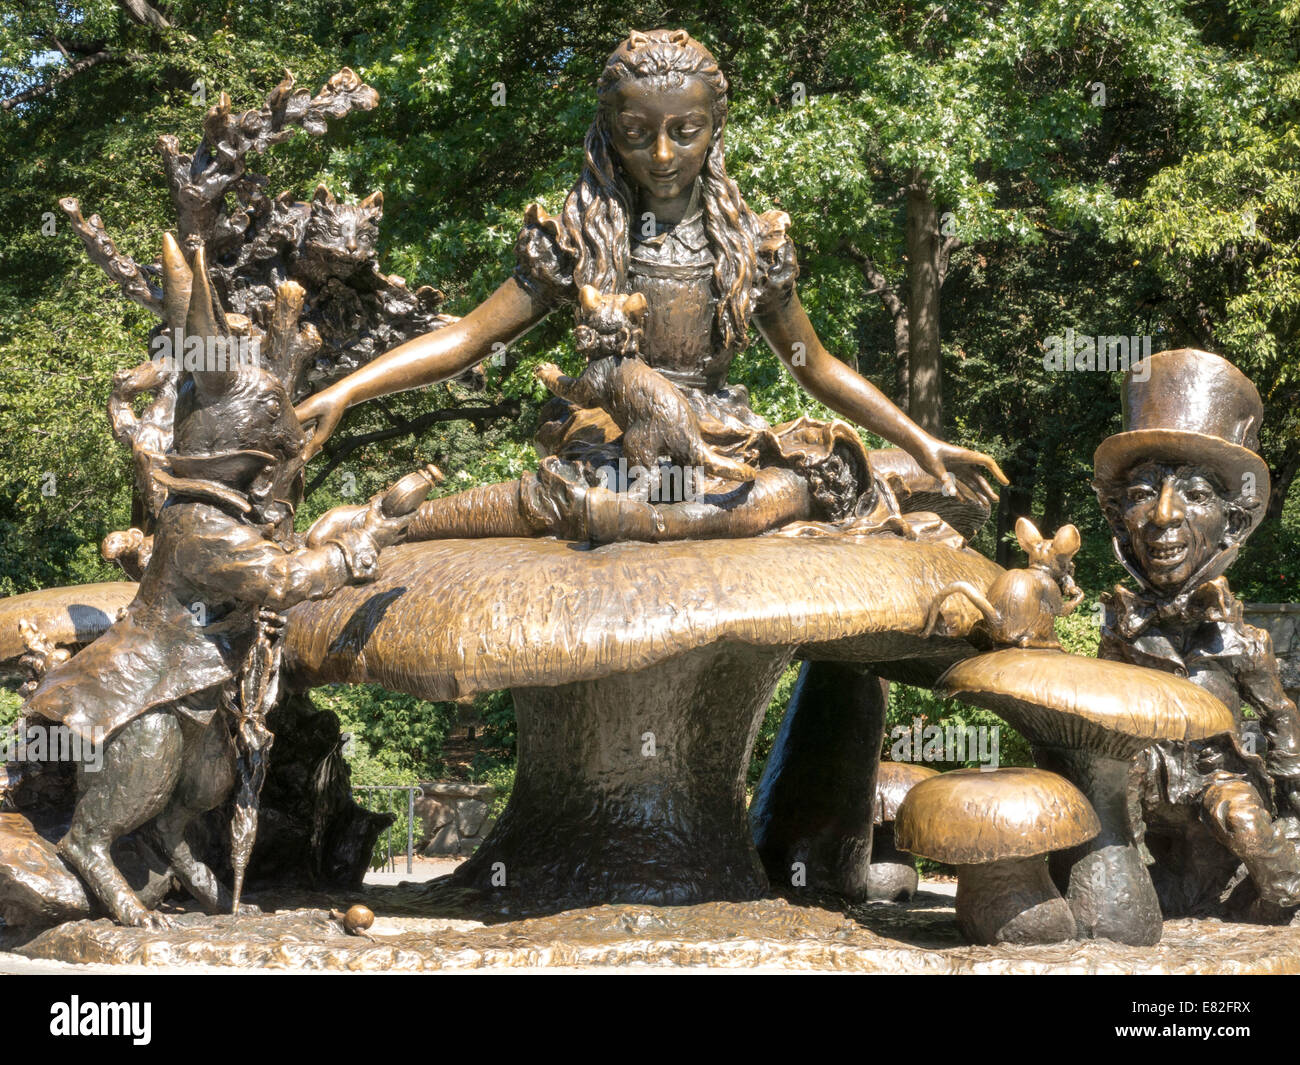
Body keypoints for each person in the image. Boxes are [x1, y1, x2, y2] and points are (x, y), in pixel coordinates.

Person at [294, 29, 1006, 543]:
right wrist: (343, 390)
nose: (662, 154)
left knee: (808, 480)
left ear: (713, 130)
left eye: (685, 131)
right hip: (617, 434)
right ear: (611, 132)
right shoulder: (577, 235)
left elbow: (813, 366)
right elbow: (470, 338)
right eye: (637, 133)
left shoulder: (753, 244)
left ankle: (597, 514)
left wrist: (923, 443)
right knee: (639, 491)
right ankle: (400, 520)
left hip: (716, 433)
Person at [1092, 347, 1300, 918]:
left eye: (1196, 493)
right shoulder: (1122, 628)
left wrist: (1296, 816)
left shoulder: (1242, 642)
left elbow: (1279, 719)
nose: (1163, 516)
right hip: (1147, 780)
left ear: (1232, 520)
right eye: (1140, 495)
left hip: (1218, 780)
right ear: (1116, 518)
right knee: (1107, 802)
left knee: (1252, 834)